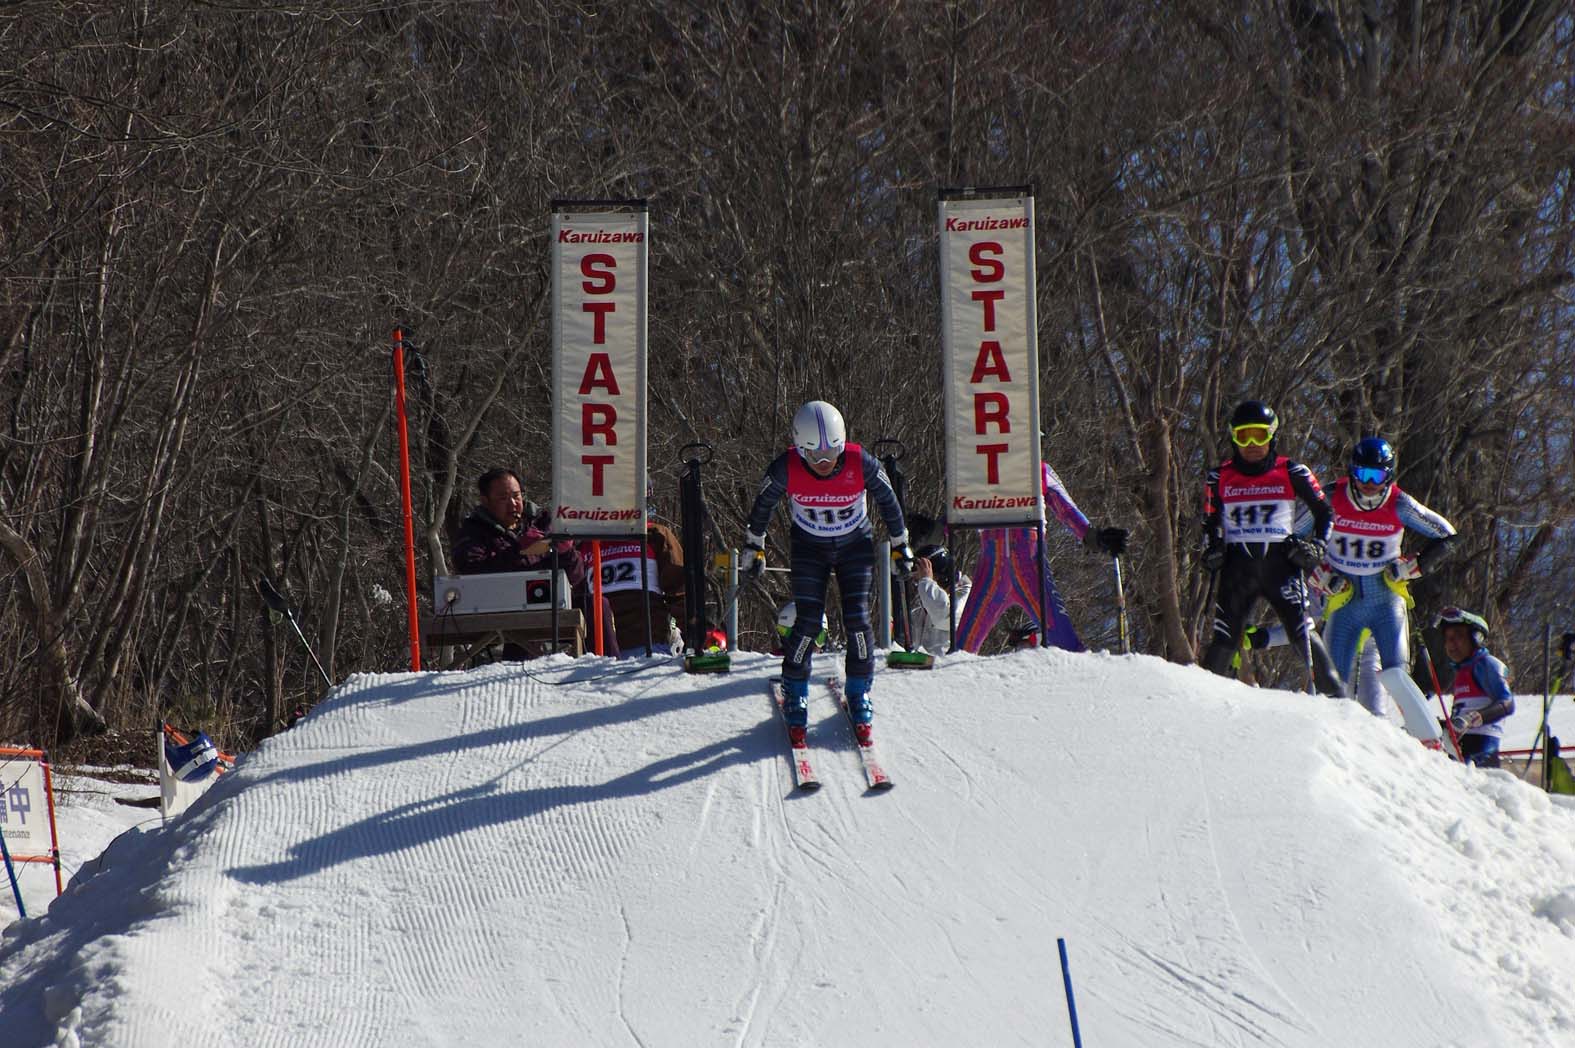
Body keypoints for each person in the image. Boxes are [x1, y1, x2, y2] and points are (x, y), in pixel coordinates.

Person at [742, 400, 910, 745]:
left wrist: (900, 544)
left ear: (841, 444)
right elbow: (763, 504)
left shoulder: (860, 461)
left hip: (854, 545)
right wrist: (754, 545)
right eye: (814, 455)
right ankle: (795, 688)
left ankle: (859, 691)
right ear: (799, 448)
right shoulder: (787, 466)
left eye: (831, 453)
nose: (824, 462)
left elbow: (888, 499)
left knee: (858, 620)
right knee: (807, 622)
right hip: (810, 548)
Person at [1311, 437, 1457, 745]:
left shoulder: (1399, 503)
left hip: (1385, 600)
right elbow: (1291, 540)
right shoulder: (1332, 496)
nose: (1368, 484)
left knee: (1395, 673)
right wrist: (1319, 573)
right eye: (1362, 474)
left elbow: (1448, 536)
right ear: (1351, 471)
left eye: (1376, 476)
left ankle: (1425, 738)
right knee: (1333, 679)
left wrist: (1413, 566)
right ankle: (1332, 741)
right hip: (1344, 600)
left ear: (1389, 475)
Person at [1200, 401, 1344, 696]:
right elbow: (1210, 520)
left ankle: (1339, 703)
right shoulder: (1219, 477)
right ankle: (1200, 705)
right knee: (1225, 639)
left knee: (1302, 633)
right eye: (1244, 437)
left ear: (1272, 435)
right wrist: (1213, 547)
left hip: (1280, 567)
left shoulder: (1292, 471)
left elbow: (1325, 512)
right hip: (1238, 569)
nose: (1252, 445)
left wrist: (1317, 546)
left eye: (1260, 435)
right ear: (1233, 438)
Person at [953, 451, 1127, 654]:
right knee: (960, 649)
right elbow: (957, 508)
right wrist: (935, 529)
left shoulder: (1038, 470)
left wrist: (1095, 536)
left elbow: (1066, 508)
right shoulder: (980, 471)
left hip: (1028, 566)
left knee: (1067, 645)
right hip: (995, 568)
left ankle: (1090, 673)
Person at [451, 467, 619, 656]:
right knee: (523, 632)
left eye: (516, 496)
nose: (513, 504)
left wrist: (566, 552)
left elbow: (577, 577)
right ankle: (518, 673)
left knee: (596, 604)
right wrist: (518, 551)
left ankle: (606, 666)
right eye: (503, 498)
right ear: (485, 501)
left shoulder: (542, 520)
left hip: (552, 603)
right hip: (504, 610)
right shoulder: (473, 531)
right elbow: (469, 570)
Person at [589, 494, 686, 657]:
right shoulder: (586, 543)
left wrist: (692, 632)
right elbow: (680, 592)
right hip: (602, 649)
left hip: (643, 643)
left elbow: (679, 591)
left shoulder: (655, 535)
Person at [1439, 607, 1514, 767]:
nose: (1451, 643)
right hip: (1460, 746)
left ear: (1475, 638)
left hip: (1482, 749)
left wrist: (1471, 719)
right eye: (1447, 638)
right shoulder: (1462, 671)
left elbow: (1507, 704)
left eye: (1458, 636)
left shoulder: (1487, 664)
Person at [907, 544, 971, 654]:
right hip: (927, 663)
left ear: (941, 576)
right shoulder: (927, 601)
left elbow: (944, 615)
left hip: (952, 663)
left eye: (920, 580)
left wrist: (927, 581)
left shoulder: (966, 594)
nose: (919, 586)